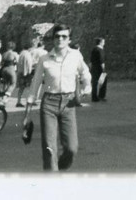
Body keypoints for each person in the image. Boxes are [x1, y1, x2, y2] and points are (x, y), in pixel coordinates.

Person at [24, 24, 91, 172]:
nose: (60, 39)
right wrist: (27, 114)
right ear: (53, 39)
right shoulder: (44, 59)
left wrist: (87, 86)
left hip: (69, 103)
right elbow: (35, 85)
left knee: (71, 148)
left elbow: (85, 72)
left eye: (64, 36)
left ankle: (58, 169)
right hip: (49, 103)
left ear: (69, 40)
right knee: (49, 147)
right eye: (57, 36)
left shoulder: (75, 56)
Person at [90, 38, 107, 103]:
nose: (104, 43)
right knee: (103, 81)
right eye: (103, 42)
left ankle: (94, 97)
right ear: (100, 42)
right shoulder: (100, 50)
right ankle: (101, 96)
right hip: (99, 68)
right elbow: (101, 60)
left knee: (94, 83)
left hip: (94, 67)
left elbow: (91, 59)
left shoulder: (94, 49)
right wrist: (103, 69)